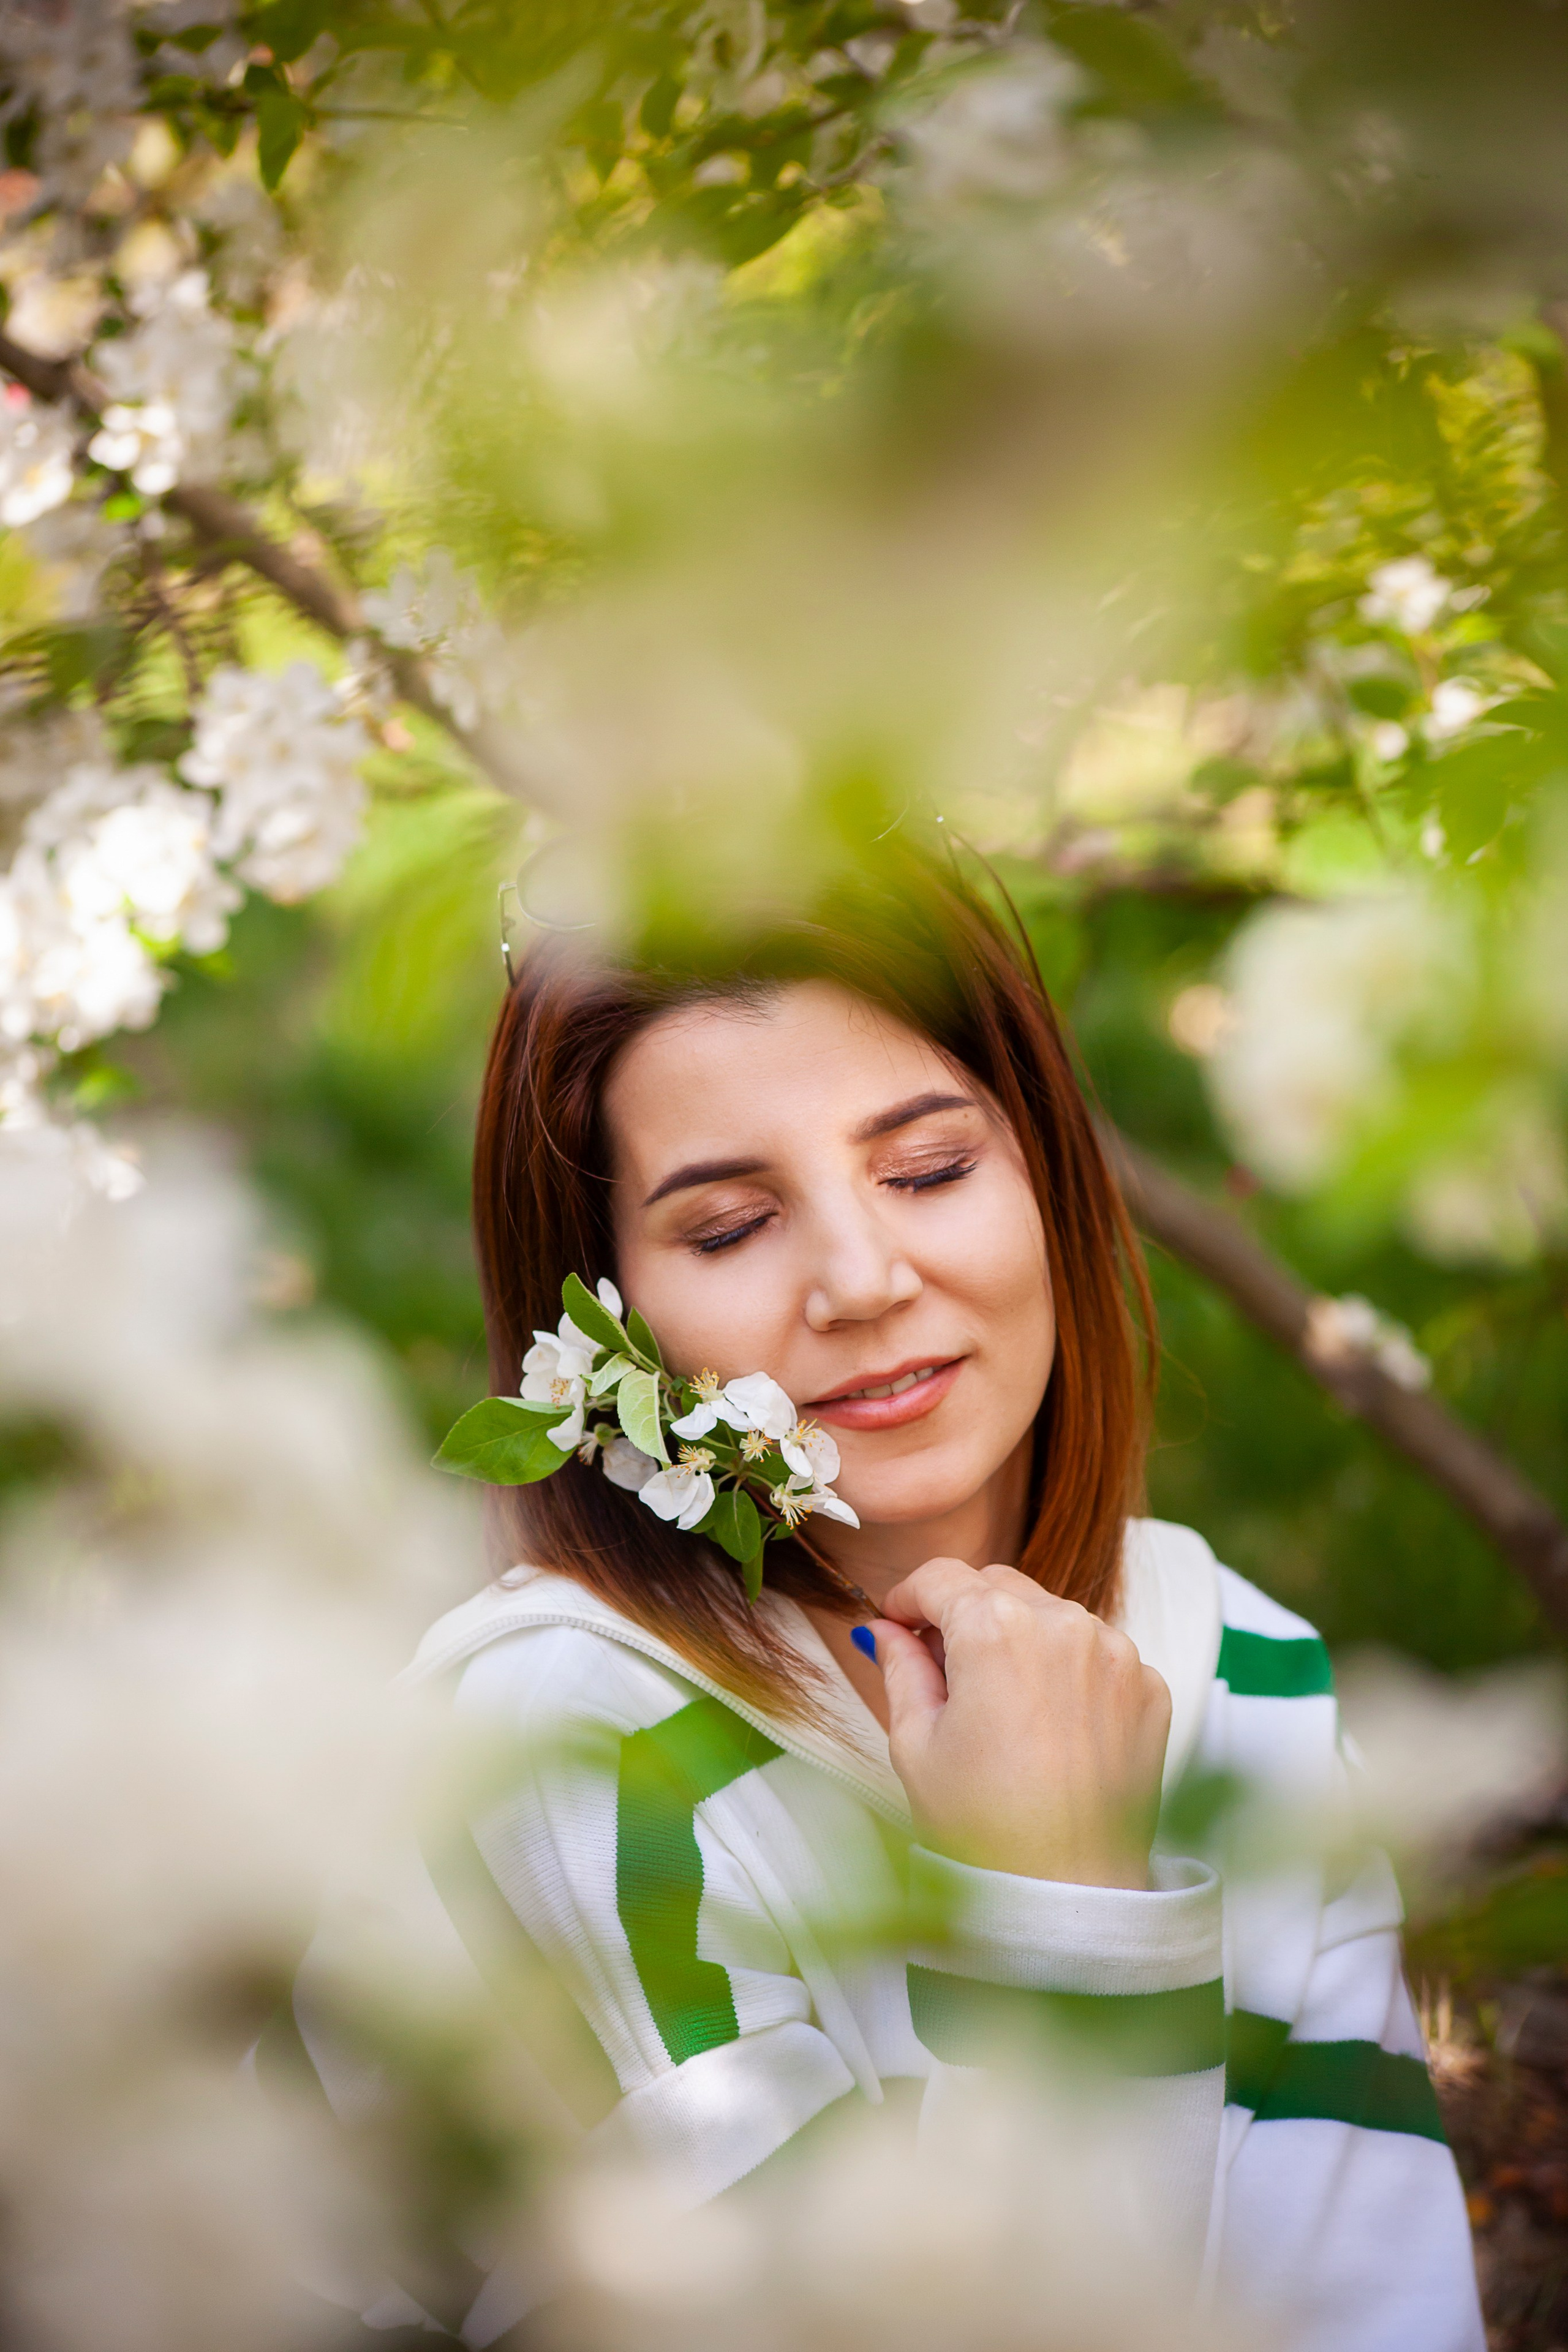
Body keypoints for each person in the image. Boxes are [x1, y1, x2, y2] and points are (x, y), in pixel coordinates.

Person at [307, 845, 1484, 2348]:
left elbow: (1367, 2316)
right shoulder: (562, 1738)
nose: (861, 1276)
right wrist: (1058, 1895)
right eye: (728, 1225)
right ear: (599, 1315)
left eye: (927, 1169)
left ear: (1044, 1171)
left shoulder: (1245, 1674)